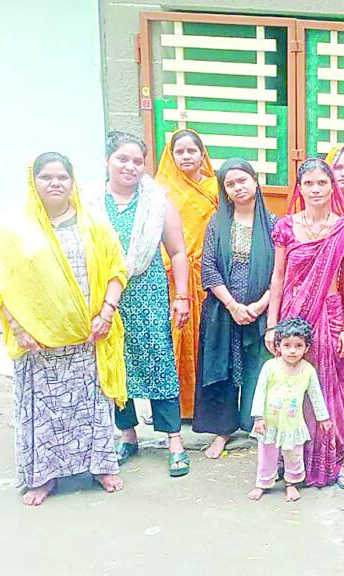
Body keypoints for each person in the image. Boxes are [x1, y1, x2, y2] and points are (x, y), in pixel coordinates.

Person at [0, 152, 127, 505]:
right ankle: (43, 477)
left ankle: (100, 466)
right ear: (32, 181)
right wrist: (18, 328)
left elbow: (117, 269)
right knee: (44, 409)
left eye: (62, 177)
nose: (55, 183)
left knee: (92, 404)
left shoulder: (92, 223)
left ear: (72, 181)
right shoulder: (13, 228)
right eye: (46, 177)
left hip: (88, 334)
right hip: (38, 342)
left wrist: (107, 312)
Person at [94, 131, 191, 477]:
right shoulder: (91, 203)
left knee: (158, 361)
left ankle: (174, 440)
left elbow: (177, 252)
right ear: (107, 161)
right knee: (115, 363)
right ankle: (128, 435)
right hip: (104, 296)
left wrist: (182, 297)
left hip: (148, 294)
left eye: (138, 161)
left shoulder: (157, 202)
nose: (130, 167)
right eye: (123, 159)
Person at [268, 158, 344, 490]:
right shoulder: (286, 227)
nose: (316, 189)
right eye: (309, 183)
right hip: (293, 318)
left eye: (322, 183)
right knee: (291, 387)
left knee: (328, 388)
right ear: (300, 188)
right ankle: (290, 460)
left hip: (330, 316)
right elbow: (278, 278)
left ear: (332, 187)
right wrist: (272, 325)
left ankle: (327, 461)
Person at [194, 159, 276, 459]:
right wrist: (232, 305)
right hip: (223, 310)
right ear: (224, 190)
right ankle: (223, 430)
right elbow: (209, 268)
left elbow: (281, 271)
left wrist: (261, 304)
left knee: (257, 366)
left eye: (242, 180)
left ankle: (256, 423)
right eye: (230, 184)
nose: (238, 187)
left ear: (255, 181)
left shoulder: (274, 224)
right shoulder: (217, 224)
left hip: (261, 310)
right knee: (224, 369)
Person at [154, 129, 219, 419]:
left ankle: (203, 406)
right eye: (179, 152)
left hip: (208, 275)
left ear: (203, 154)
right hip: (172, 277)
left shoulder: (216, 187)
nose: (186, 156)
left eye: (192, 150)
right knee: (173, 339)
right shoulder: (160, 190)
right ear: (171, 156)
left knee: (207, 339)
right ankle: (173, 406)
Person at [248, 317, 334, 502]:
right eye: (287, 345)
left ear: (307, 347)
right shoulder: (270, 367)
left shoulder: (308, 370)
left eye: (298, 346)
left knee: (294, 455)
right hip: (269, 422)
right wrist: (258, 418)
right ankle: (262, 483)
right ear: (278, 346)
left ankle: (291, 483)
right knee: (266, 454)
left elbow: (316, 396)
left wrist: (323, 418)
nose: (292, 350)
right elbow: (260, 392)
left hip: (293, 423)